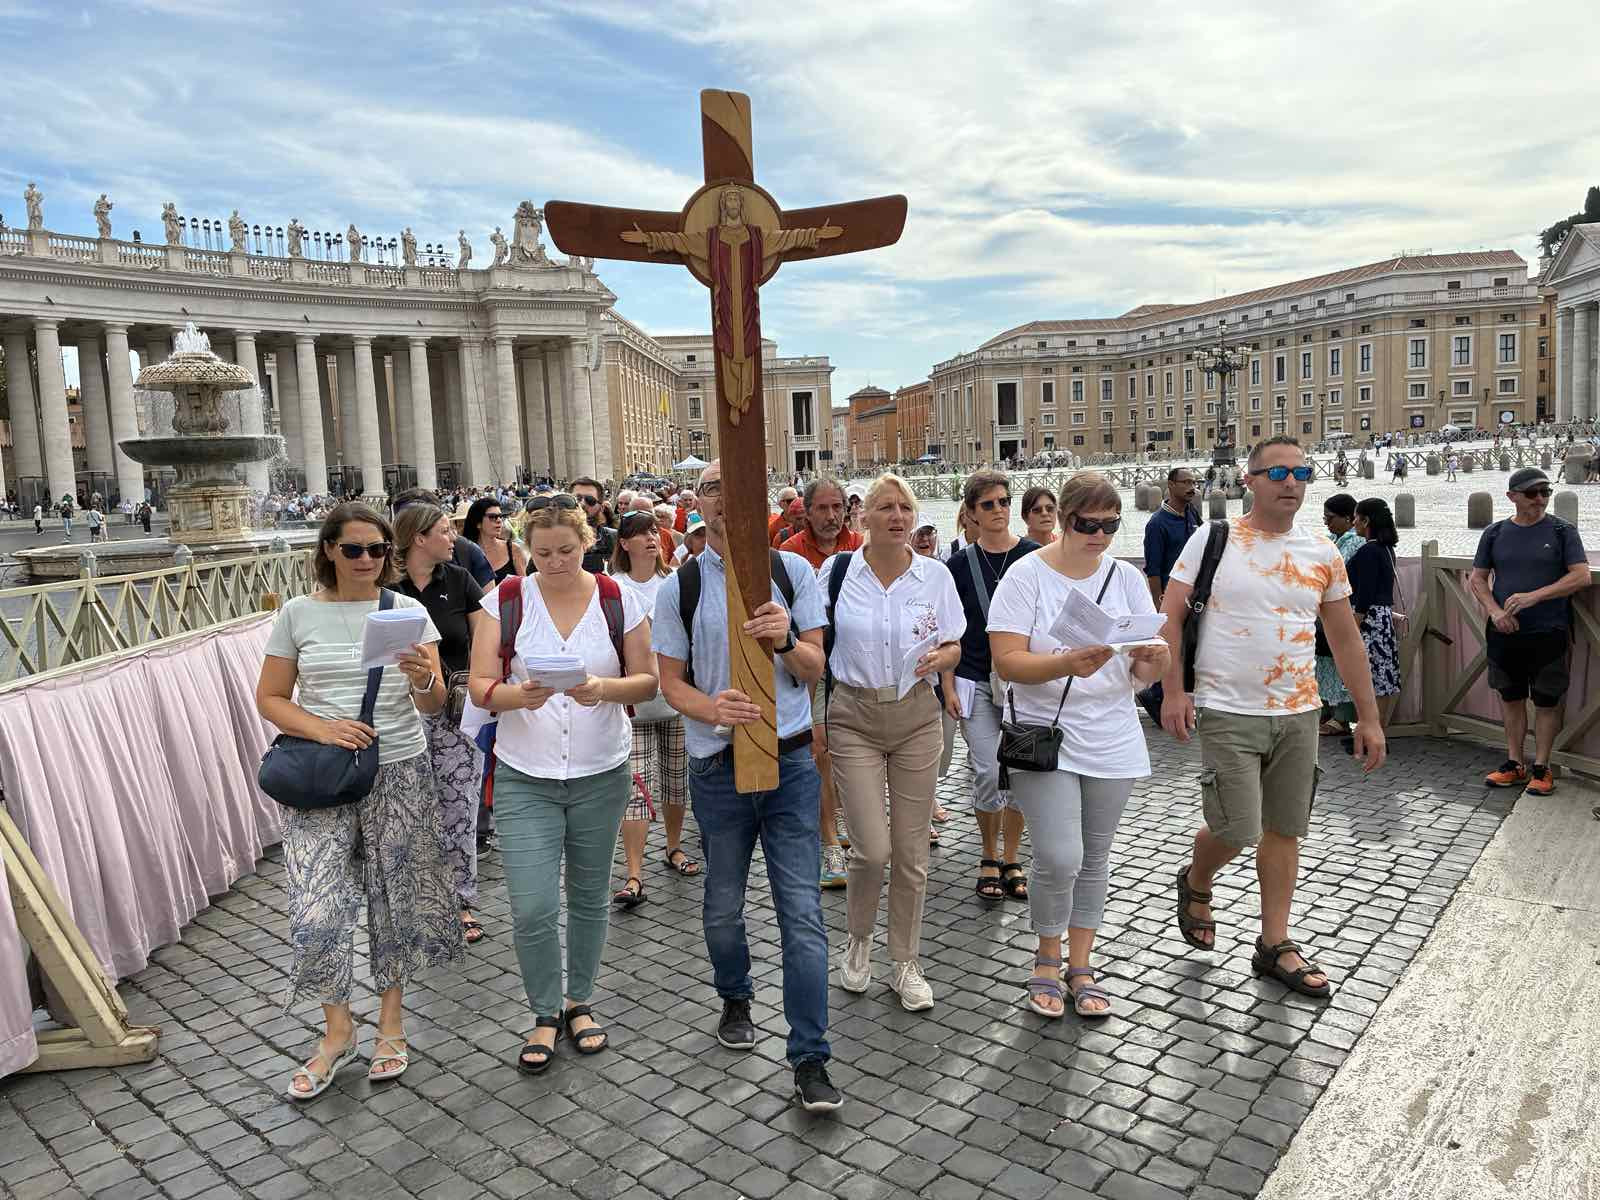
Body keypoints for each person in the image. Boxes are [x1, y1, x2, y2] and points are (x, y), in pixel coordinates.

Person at [1158, 437, 1386, 998]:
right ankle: (1197, 878)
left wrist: (1369, 716)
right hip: (1227, 707)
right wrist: (1174, 691)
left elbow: (1345, 639)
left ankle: (1274, 943)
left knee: (1285, 829)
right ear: (1250, 480)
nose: (1291, 483)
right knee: (1237, 826)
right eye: (1277, 473)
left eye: (1300, 473)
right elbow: (1170, 619)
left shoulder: (1322, 551)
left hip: (1300, 710)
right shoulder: (1213, 538)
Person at [652, 461, 843, 1112]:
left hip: (790, 765)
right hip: (717, 767)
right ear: (699, 504)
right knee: (721, 906)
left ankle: (810, 1058)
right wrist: (711, 708)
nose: (725, 499)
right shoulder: (679, 586)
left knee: (803, 915)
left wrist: (785, 639)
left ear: (760, 501)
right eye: (712, 489)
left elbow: (814, 667)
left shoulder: (793, 574)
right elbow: (670, 682)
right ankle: (734, 994)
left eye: (735, 488)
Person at [255, 503, 459, 1099]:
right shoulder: (298, 613)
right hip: (323, 773)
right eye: (353, 549)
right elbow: (271, 697)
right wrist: (323, 728)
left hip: (398, 768)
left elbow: (432, 704)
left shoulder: (406, 611)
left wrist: (423, 676)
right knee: (316, 906)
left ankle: (391, 1026)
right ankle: (337, 1031)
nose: (367, 559)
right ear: (329, 551)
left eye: (377, 549)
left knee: (395, 899)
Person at [467, 493, 658, 1072]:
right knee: (532, 905)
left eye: (566, 551)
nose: (554, 562)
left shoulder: (617, 598)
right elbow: (479, 684)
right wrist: (514, 696)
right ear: (528, 547)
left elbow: (647, 681)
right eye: (544, 552)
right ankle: (543, 1011)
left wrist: (602, 689)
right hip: (526, 773)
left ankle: (579, 1001)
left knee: (589, 895)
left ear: (587, 543)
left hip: (601, 771)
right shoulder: (504, 601)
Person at [990, 474, 1169, 1017]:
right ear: (1065, 520)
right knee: (1059, 854)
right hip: (1045, 733)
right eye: (1089, 525)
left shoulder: (1125, 577)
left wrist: (1154, 661)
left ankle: (1082, 963)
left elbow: (1141, 668)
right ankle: (1047, 955)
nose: (1100, 535)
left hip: (1112, 733)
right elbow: (1007, 662)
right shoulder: (1027, 575)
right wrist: (1066, 662)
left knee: (1094, 855)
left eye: (1110, 526)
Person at [824, 474, 963, 1012]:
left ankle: (905, 959)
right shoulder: (837, 573)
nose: (898, 516)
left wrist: (943, 658)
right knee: (872, 848)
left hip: (916, 715)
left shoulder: (935, 576)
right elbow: (815, 642)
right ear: (864, 517)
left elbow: (954, 644)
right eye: (885, 507)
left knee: (910, 851)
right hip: (854, 715)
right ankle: (859, 938)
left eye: (905, 507)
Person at [392, 501, 489, 944]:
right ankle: (418, 901)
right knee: (410, 809)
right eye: (445, 531)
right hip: (399, 713)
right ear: (419, 538)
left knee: (459, 808)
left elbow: (485, 639)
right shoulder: (386, 588)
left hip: (454, 712)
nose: (453, 538)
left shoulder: (459, 579)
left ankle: (461, 901)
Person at [946, 470, 1038, 902]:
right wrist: (947, 685)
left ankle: (1012, 856)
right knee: (986, 769)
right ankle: (988, 852)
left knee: (1021, 772)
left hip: (1026, 683)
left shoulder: (1036, 557)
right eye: (988, 504)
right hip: (976, 679)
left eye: (1004, 501)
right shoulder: (957, 566)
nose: (999, 510)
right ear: (971, 513)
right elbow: (946, 632)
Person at [1470, 467, 1590, 795]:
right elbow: (1477, 579)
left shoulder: (1563, 531)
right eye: (1532, 493)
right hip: (1504, 631)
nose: (1540, 499)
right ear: (1512, 497)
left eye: (1545, 492)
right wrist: (1495, 612)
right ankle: (1514, 763)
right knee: (1511, 698)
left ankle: (1542, 766)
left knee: (1547, 701)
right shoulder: (1494, 533)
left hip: (1549, 630)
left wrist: (1534, 596)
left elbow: (1581, 576)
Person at [779, 478, 864, 888]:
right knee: (820, 748)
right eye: (823, 509)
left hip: (854, 664)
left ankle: (843, 817)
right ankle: (828, 841)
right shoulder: (789, 554)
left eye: (837, 508)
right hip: (810, 664)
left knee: (852, 748)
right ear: (807, 512)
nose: (832, 516)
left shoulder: (862, 546)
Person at [609, 509, 697, 907]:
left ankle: (673, 847)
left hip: (676, 698)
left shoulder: (674, 582)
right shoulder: (613, 587)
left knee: (676, 781)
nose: (650, 539)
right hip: (632, 704)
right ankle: (634, 874)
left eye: (654, 532)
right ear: (624, 543)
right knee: (635, 787)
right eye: (641, 533)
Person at [1343, 497, 1403, 728]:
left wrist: (1354, 624)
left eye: (1356, 518)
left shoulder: (1369, 550)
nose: (1353, 523)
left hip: (1369, 620)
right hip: (1382, 617)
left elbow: (1365, 593)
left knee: (1368, 677)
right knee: (1382, 677)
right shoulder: (1386, 549)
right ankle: (1376, 731)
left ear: (1366, 520)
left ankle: (1370, 732)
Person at [1314, 494, 1365, 735]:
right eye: (1324, 518)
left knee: (1340, 663)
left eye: (1330, 518)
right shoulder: (1332, 539)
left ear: (1347, 518)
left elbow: (1334, 571)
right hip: (1323, 609)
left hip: (1345, 609)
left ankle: (1342, 716)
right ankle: (1326, 710)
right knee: (1323, 661)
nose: (1327, 523)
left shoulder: (1355, 542)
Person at [1143, 469, 1200, 608]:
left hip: (1196, 594)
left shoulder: (1191, 511)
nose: (1192, 488)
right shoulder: (1156, 524)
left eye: (1194, 483)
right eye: (1186, 482)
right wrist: (1159, 606)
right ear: (1171, 485)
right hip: (1173, 598)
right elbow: (1153, 571)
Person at [464, 496, 527, 581]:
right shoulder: (466, 554)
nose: (499, 520)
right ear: (478, 523)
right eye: (492, 517)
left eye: (500, 516)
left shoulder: (513, 550)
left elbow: (524, 585)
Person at [570, 476, 616, 574]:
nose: (582, 504)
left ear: (601, 507)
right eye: (576, 499)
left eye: (590, 500)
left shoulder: (613, 539)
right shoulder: (551, 540)